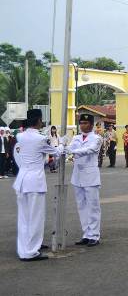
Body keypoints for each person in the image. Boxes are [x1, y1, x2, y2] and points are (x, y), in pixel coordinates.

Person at [13, 109, 64, 261]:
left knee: (24, 218)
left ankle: (23, 249)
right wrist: (63, 144)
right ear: (38, 121)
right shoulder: (40, 138)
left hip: (22, 180)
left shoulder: (20, 136)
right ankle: (31, 251)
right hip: (34, 181)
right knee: (35, 217)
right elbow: (56, 152)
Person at [65, 114, 102, 247]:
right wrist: (63, 148)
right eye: (81, 123)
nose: (83, 125)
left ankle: (94, 235)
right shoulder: (76, 138)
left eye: (86, 123)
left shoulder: (97, 138)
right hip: (77, 176)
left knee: (93, 206)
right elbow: (70, 148)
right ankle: (86, 234)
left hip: (90, 176)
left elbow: (91, 150)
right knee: (81, 206)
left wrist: (74, 152)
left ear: (91, 125)